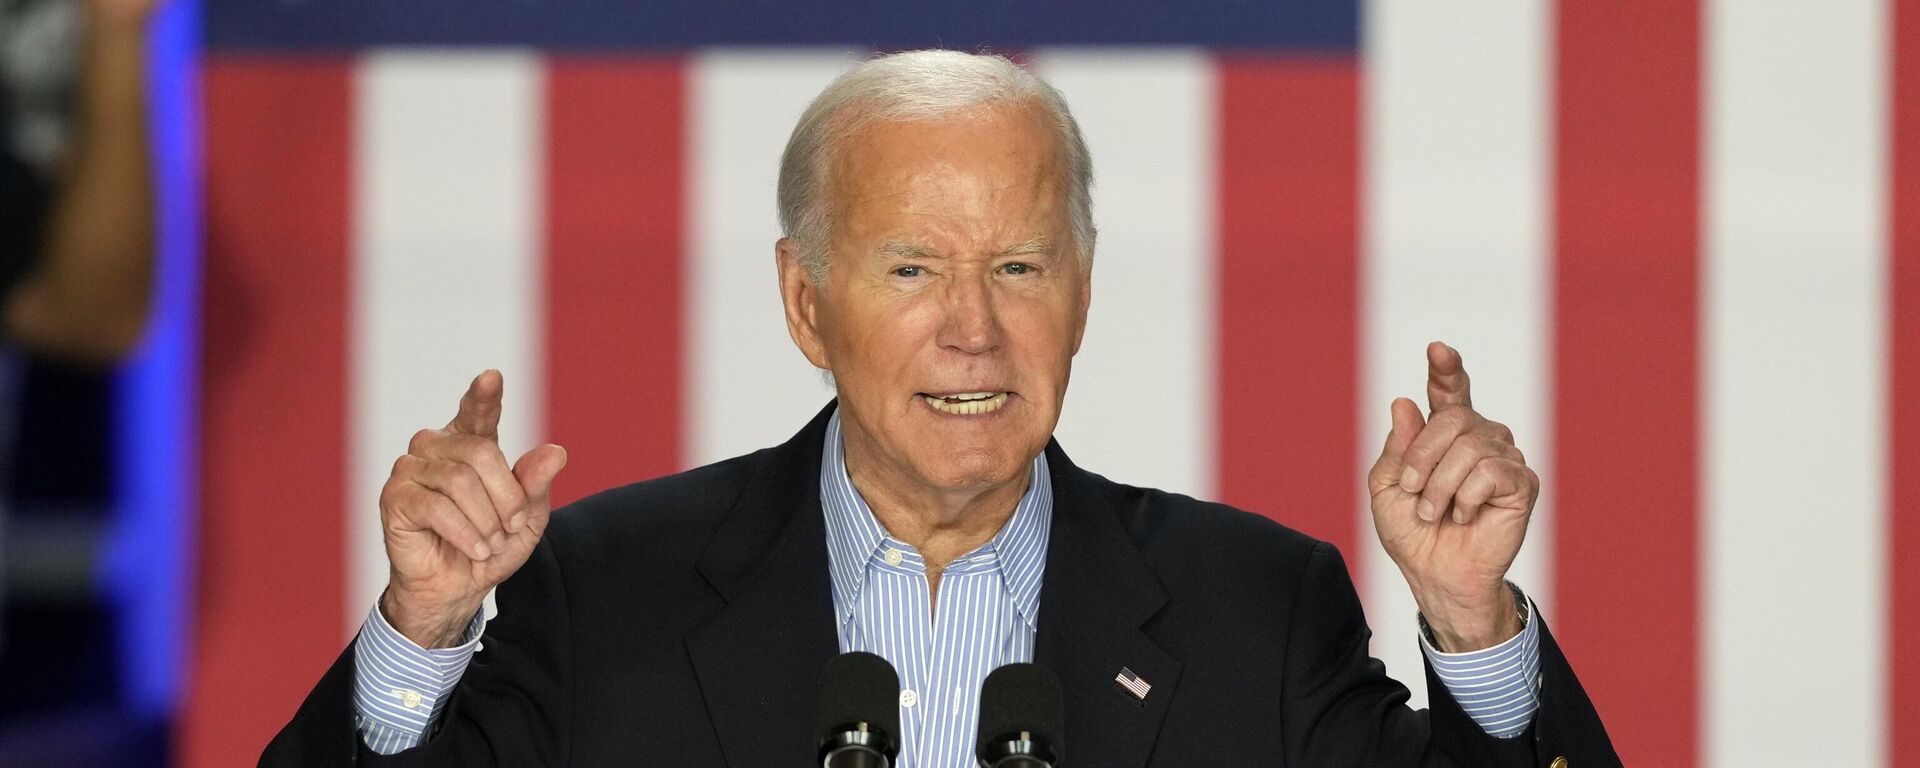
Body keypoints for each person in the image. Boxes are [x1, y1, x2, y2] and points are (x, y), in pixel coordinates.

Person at [264, 50, 1618, 767]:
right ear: (807, 305)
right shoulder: (610, 590)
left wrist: (1469, 624)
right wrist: (424, 633)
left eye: (1019, 266)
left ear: (1082, 297)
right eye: (911, 268)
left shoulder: (1251, 611)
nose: (972, 328)